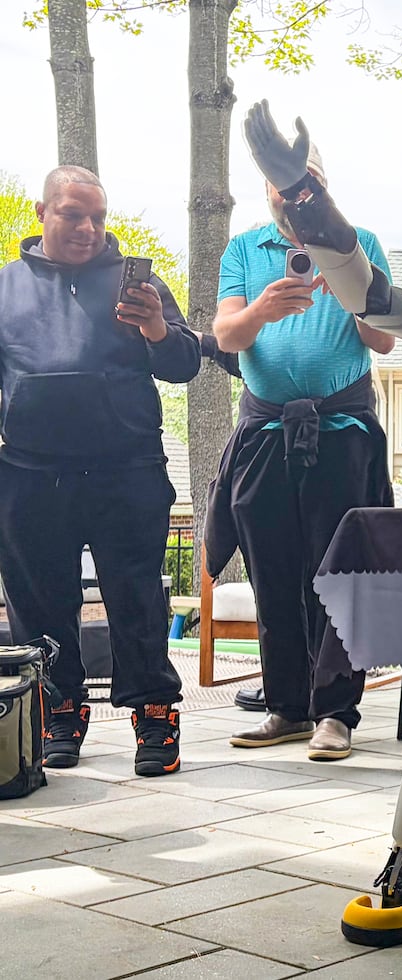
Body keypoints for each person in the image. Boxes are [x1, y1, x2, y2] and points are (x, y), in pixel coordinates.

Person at [0, 165, 201, 776]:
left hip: (126, 468)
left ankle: (155, 715)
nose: (88, 228)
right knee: (39, 602)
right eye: (72, 214)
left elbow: (186, 363)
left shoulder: (133, 282)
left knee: (136, 594)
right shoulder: (6, 286)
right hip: (30, 471)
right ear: (42, 214)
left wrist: (156, 328)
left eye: (98, 216)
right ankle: (58, 711)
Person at [206, 142, 394, 761]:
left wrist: (346, 279)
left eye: (306, 178)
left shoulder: (357, 241)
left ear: (323, 182)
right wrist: (261, 308)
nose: (293, 193)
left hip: (341, 435)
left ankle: (336, 713)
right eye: (282, 182)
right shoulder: (243, 249)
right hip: (264, 437)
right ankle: (286, 707)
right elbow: (226, 335)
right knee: (273, 575)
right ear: (267, 188)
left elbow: (384, 340)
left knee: (336, 575)